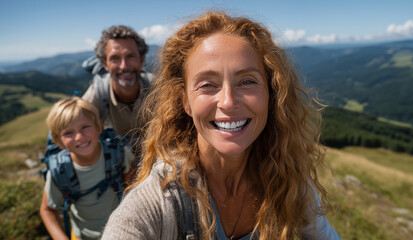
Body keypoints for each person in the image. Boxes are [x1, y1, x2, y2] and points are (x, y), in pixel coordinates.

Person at [102, 11, 341, 240]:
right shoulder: (156, 204)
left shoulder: (286, 179)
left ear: (271, 94)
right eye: (207, 84)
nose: (228, 102)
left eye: (247, 81)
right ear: (185, 102)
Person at [39, 97, 134, 240]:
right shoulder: (59, 171)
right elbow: (47, 210)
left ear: (98, 127)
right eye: (68, 133)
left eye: (85, 127)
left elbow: (131, 186)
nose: (79, 137)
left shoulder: (118, 153)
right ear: (59, 141)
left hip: (120, 232)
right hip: (82, 236)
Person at [82, 25, 152, 138]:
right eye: (115, 58)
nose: (124, 66)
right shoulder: (96, 96)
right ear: (105, 63)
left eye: (130, 56)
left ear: (142, 59)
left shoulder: (158, 90)